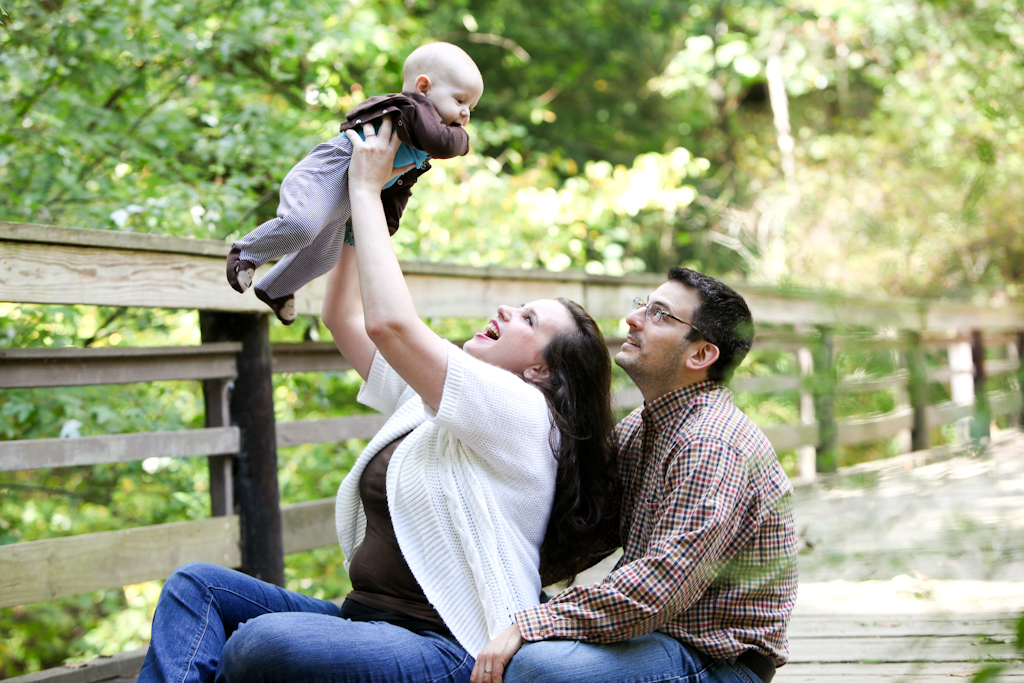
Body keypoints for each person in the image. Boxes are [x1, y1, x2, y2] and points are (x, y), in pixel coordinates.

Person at [135, 116, 615, 683]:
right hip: (365, 622)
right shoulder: (432, 404)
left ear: (542, 369)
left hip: (448, 647)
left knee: (263, 643)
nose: (510, 311)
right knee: (198, 589)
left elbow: (390, 323)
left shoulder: (527, 415)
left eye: (529, 319)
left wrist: (364, 187)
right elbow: (347, 318)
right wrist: (364, 212)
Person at [471, 267, 799, 683]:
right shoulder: (642, 428)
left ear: (700, 355)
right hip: (655, 637)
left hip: (716, 659)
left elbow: (659, 588)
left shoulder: (712, 442)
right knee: (491, 610)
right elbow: (587, 534)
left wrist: (528, 624)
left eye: (660, 314)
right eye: (643, 305)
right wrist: (488, 578)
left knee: (538, 669)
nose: (634, 318)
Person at [226, 41, 483, 324]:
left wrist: (385, 224)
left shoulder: (421, 142)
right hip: (333, 168)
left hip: (352, 192)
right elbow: (443, 143)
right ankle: (246, 252)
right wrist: (465, 141)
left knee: (324, 257)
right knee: (302, 226)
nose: (465, 114)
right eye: (460, 101)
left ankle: (276, 289)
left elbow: (400, 186)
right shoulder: (409, 108)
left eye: (471, 106)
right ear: (423, 88)